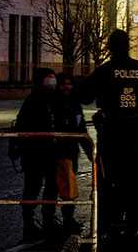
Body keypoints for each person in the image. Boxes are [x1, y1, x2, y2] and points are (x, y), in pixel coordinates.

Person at [80, 29, 138, 235]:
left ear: (109, 48)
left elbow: (84, 96)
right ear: (128, 46)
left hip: (111, 132)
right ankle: (136, 220)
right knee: (136, 178)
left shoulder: (105, 70)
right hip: (136, 132)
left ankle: (110, 219)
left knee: (109, 176)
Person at [16, 67, 60, 240]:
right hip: (34, 154)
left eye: (53, 78)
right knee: (32, 188)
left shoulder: (53, 99)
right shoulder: (33, 100)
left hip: (51, 153)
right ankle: (29, 222)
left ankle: (48, 219)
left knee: (51, 187)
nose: (52, 81)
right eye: (49, 78)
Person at [55, 73, 92, 235]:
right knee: (53, 187)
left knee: (69, 186)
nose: (67, 87)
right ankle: (49, 220)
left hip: (71, 151)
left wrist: (92, 153)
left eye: (69, 84)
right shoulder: (53, 103)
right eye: (63, 84)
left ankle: (68, 218)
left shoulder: (75, 104)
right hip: (56, 152)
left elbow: (81, 130)